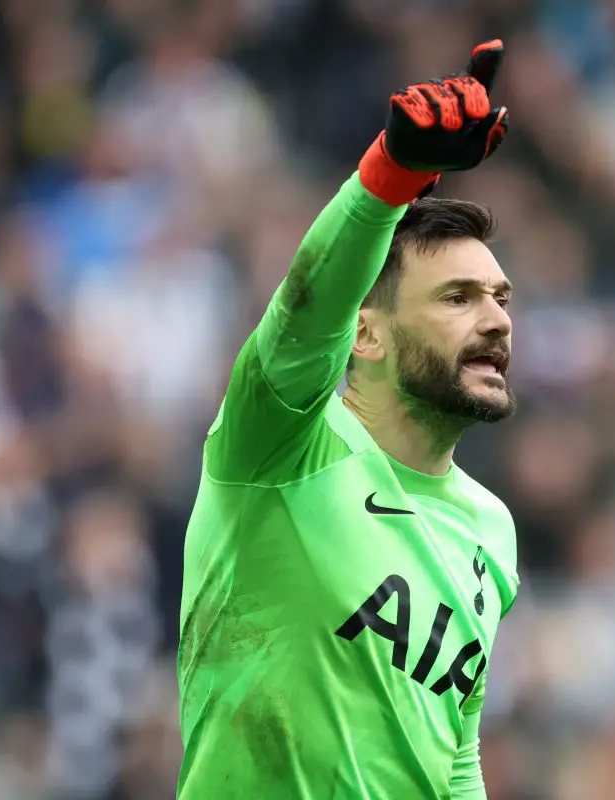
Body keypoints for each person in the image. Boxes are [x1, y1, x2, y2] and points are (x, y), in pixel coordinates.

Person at [176, 39, 520, 799]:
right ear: (366, 334)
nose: (496, 320)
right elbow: (306, 312)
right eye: (458, 298)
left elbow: (453, 752)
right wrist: (389, 176)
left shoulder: (491, 530)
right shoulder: (281, 446)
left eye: (501, 298)